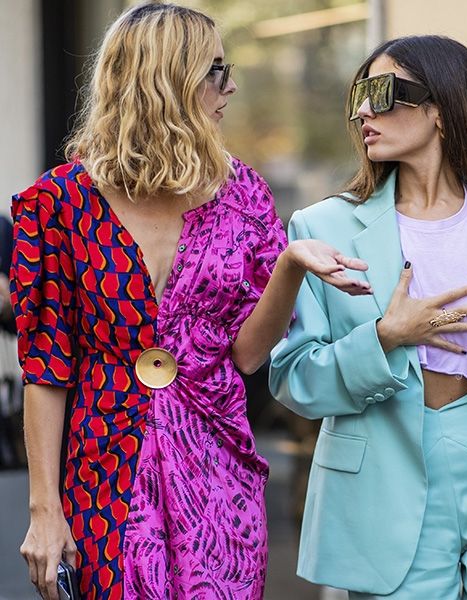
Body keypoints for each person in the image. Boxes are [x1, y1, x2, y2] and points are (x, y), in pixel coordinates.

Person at [10, 4, 372, 599]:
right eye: (216, 70)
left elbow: (248, 355)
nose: (231, 87)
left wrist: (289, 267)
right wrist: (44, 510)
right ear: (168, 80)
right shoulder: (58, 204)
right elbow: (47, 368)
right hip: (102, 472)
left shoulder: (243, 196)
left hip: (216, 470)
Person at [269, 35, 467, 600]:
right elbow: (293, 379)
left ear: (441, 106)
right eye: (358, 95)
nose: (363, 111)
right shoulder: (321, 229)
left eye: (381, 92)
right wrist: (385, 337)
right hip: (385, 476)